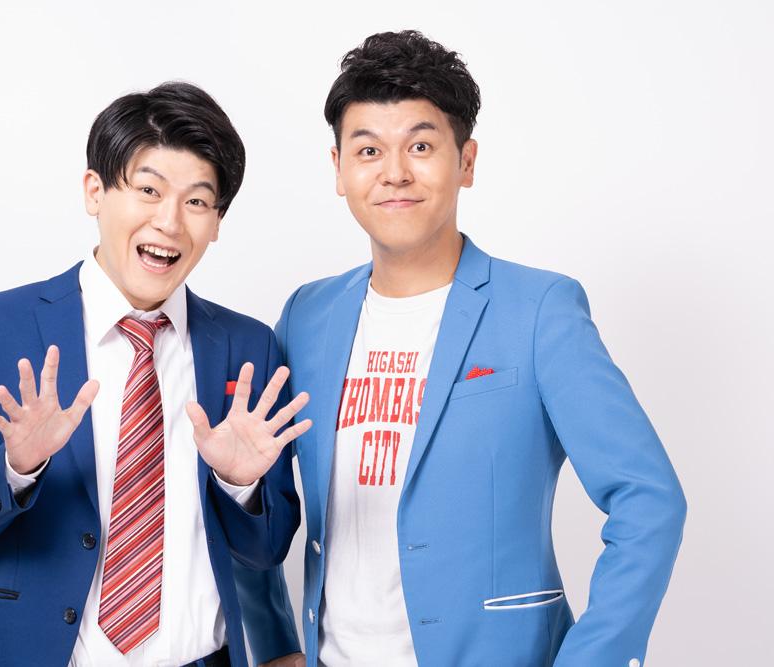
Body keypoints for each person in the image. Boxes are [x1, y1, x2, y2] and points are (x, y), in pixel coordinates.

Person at [248, 30, 687, 667]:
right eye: (368, 150)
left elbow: (648, 500)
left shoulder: (539, 311)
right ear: (339, 169)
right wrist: (273, 645)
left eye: (420, 146)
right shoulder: (307, 316)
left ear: (467, 161)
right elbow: (256, 493)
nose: (394, 173)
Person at [0, 81, 311, 667]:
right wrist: (15, 468)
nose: (169, 222)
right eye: (148, 190)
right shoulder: (1, 325)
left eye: (197, 202)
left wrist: (239, 486)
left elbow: (267, 549)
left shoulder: (248, 347)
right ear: (94, 191)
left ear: (217, 221)